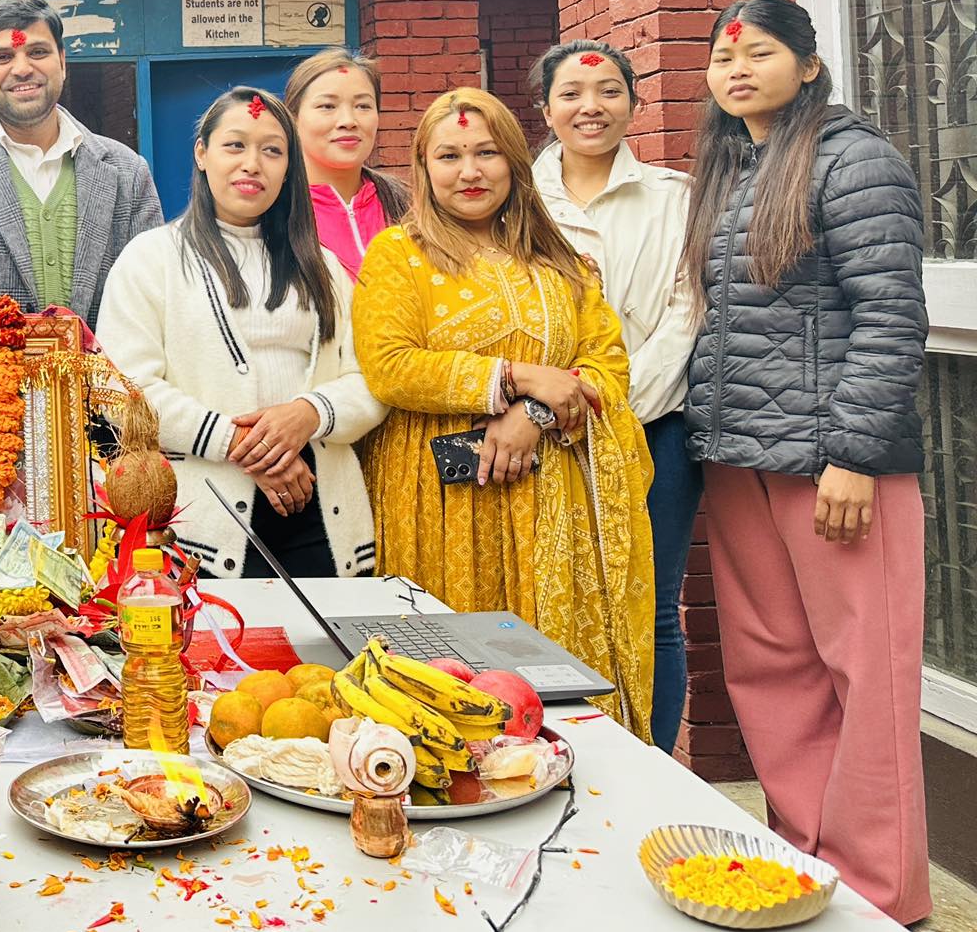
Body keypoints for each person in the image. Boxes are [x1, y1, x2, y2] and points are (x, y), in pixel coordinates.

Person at [680, 0, 929, 924]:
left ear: (809, 65)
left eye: (759, 53)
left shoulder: (853, 159)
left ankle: (880, 890)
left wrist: (855, 454)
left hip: (835, 464)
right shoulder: (732, 167)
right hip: (740, 455)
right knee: (768, 665)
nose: (737, 69)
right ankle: (804, 854)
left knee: (867, 670)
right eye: (723, 58)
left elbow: (891, 315)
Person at [353, 88, 655, 737]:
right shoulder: (398, 255)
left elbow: (608, 366)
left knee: (555, 684)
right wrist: (515, 377)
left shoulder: (563, 262)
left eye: (487, 153)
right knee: (453, 687)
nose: (470, 171)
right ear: (423, 167)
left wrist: (534, 414)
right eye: (449, 156)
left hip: (555, 505)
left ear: (515, 161)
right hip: (442, 506)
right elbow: (391, 366)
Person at [98, 88, 386, 582]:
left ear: (289, 167)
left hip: (321, 510)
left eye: (272, 150)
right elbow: (123, 392)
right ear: (201, 153)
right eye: (235, 145)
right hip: (202, 525)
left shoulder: (324, 268)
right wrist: (241, 443)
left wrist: (308, 414)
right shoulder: (151, 260)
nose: (252, 164)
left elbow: (370, 381)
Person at [529, 39, 698, 752]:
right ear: (545, 110)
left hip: (657, 430)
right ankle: (561, 759)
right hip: (543, 432)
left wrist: (610, 402)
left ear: (634, 102)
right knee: (549, 602)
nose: (589, 107)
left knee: (653, 609)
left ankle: (652, 766)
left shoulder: (675, 198)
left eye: (607, 92)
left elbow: (687, 313)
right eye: (569, 94)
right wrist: (552, 407)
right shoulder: (517, 200)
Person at [0, 0, 162, 325]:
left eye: (38, 52)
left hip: (106, 361)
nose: (23, 69)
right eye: (2, 57)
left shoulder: (127, 171)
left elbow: (151, 294)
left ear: (63, 62)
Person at [283, 48, 409, 276]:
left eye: (363, 106)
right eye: (327, 106)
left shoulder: (409, 206)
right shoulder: (274, 210)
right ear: (293, 117)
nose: (348, 121)